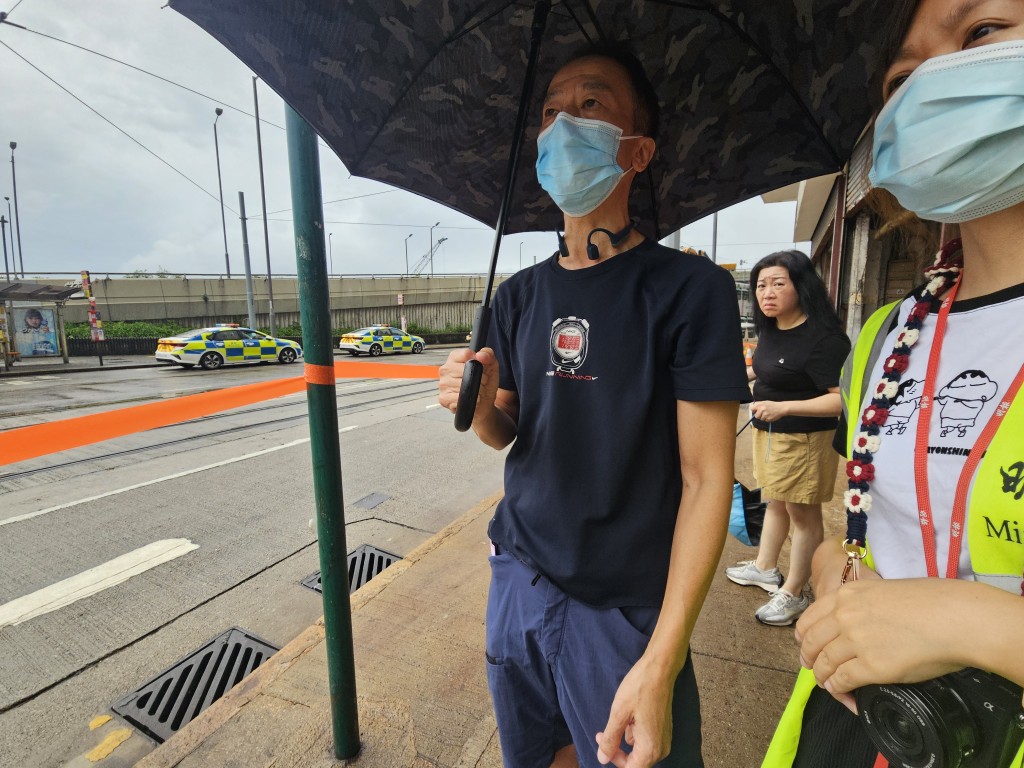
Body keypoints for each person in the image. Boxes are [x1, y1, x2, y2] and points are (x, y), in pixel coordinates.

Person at [438, 43, 751, 768]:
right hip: (518, 574)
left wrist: (663, 658)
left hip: (625, 607)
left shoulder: (687, 291)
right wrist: (479, 404)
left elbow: (708, 479)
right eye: (549, 111)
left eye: (589, 104)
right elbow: (504, 430)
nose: (560, 126)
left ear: (637, 152)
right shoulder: (515, 295)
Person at [763, 0, 1024, 765]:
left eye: (979, 34)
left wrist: (968, 624)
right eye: (902, 77)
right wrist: (833, 570)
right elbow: (864, 521)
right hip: (864, 723)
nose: (932, 82)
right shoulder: (885, 335)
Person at [725, 252, 850, 626]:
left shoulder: (824, 339)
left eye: (779, 283)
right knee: (775, 501)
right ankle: (765, 566)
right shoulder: (773, 330)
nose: (768, 293)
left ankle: (794, 592)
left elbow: (840, 399)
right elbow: (761, 371)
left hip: (805, 442)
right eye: (761, 285)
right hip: (770, 435)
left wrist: (784, 408)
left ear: (802, 285)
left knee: (803, 514)